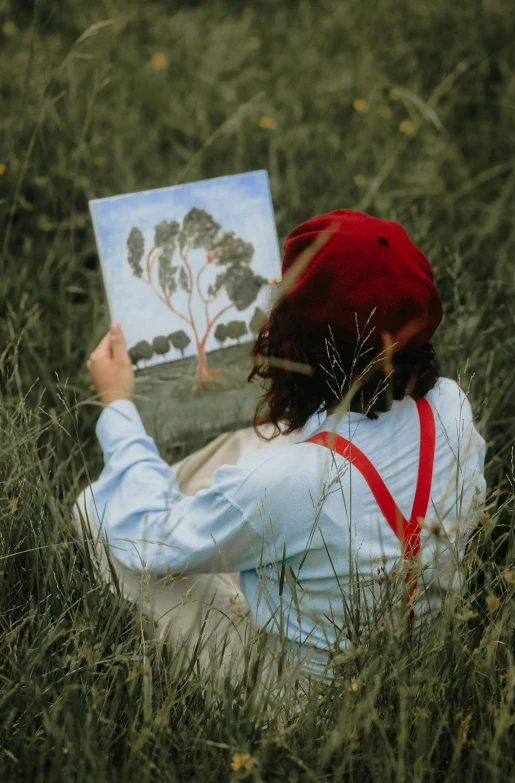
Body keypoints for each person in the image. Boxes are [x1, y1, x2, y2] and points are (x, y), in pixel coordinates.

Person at [73, 209, 486, 693]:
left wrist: (119, 406)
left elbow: (152, 542)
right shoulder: (451, 405)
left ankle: (183, 503)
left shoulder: (293, 480)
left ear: (297, 343)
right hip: (423, 655)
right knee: (251, 444)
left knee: (97, 513)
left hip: (298, 704)